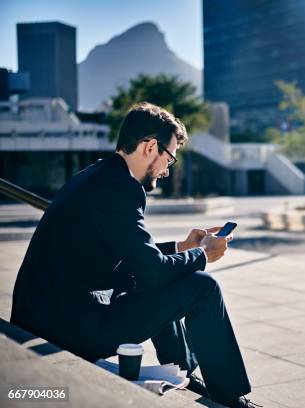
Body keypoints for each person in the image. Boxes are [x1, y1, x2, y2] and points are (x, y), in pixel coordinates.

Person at [10, 102, 259, 408]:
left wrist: (183, 248)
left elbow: (135, 258)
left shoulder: (98, 175)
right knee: (203, 287)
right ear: (150, 147)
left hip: (47, 315)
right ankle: (230, 398)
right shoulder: (120, 188)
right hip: (70, 328)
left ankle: (180, 371)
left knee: (166, 276)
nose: (168, 169)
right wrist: (204, 255)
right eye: (169, 158)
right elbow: (152, 271)